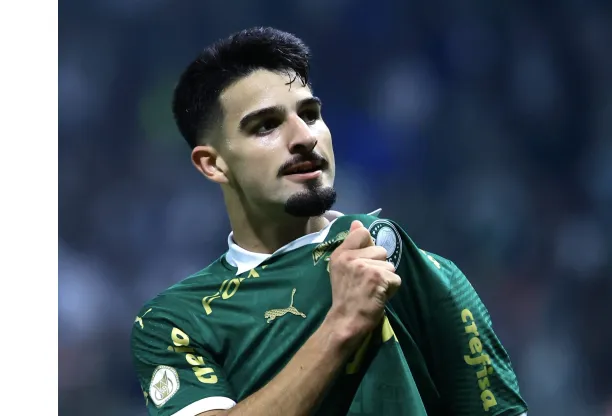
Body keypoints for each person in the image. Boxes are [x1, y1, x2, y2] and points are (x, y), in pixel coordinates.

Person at [130, 26, 528, 416]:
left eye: (310, 113)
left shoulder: (420, 272)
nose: (304, 136)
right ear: (212, 163)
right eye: (266, 125)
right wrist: (342, 324)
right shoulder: (175, 321)